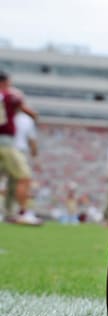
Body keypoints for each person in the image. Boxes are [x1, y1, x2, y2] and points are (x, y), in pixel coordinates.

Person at [0, 70, 42, 225]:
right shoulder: (9, 96)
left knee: (12, 181)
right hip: (5, 143)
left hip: (8, 144)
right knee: (24, 177)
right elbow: (30, 111)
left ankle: (9, 212)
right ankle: (22, 212)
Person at [4, 111, 39, 216]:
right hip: (16, 152)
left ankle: (9, 211)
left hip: (7, 149)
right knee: (23, 179)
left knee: (12, 184)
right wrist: (34, 155)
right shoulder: (26, 119)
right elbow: (32, 141)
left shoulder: (5, 115)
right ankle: (22, 212)